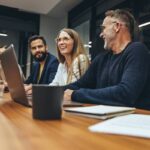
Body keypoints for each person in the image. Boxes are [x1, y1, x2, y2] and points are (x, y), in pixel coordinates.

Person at [64, 9, 150, 110]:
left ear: (117, 26)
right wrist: (55, 91)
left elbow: (125, 94)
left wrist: (76, 94)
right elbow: (79, 85)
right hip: (106, 117)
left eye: (103, 28)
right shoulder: (101, 58)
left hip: (135, 120)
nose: (101, 34)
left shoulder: (137, 50)